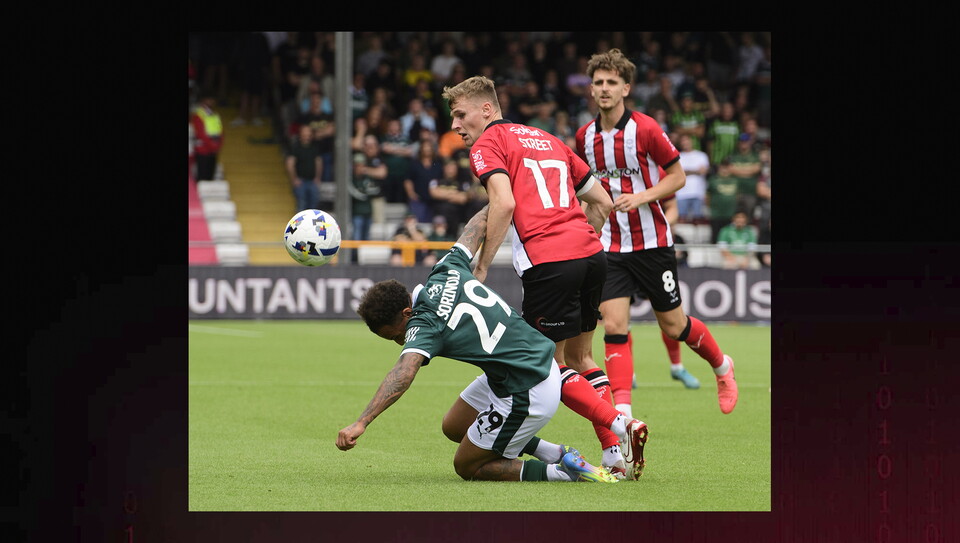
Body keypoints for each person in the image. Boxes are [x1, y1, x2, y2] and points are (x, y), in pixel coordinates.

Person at [442, 75, 649, 481]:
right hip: (592, 256)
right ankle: (611, 453)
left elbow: (503, 202)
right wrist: (579, 238)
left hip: (550, 263)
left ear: (487, 110)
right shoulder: (547, 138)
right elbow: (602, 201)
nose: (455, 125)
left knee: (548, 365)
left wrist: (480, 266)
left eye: (460, 114)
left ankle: (622, 425)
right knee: (582, 357)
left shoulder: (490, 144)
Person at [338, 207, 619, 483]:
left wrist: (362, 421)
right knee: (455, 426)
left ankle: (563, 473)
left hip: (527, 388)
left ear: (406, 314)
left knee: (467, 465)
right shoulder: (445, 268)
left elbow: (404, 372)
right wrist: (501, 194)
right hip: (521, 364)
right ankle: (556, 454)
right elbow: (480, 221)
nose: (400, 341)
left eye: (395, 335)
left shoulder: (423, 325)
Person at [574, 48, 738, 417]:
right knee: (614, 325)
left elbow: (678, 176)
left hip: (652, 243)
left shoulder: (645, 129)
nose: (604, 88)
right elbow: (586, 191)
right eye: (598, 82)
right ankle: (626, 416)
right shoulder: (584, 137)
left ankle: (722, 367)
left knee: (674, 325)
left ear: (626, 88)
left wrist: (642, 197)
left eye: (611, 82)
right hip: (609, 246)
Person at [285, 124, 322, 213]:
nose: (307, 136)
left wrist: (317, 177)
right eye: (304, 134)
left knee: (314, 206)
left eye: (308, 134)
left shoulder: (314, 147)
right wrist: (294, 179)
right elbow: (290, 163)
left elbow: (318, 162)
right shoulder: (295, 147)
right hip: (301, 181)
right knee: (301, 205)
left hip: (312, 181)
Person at [403, 140, 442, 223]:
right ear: (421, 149)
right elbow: (408, 180)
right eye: (425, 147)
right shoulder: (415, 164)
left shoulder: (438, 164)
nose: (427, 149)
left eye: (429, 147)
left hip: (435, 199)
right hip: (419, 199)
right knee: (419, 222)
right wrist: (411, 194)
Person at [675, 133, 710, 222]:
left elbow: (704, 171)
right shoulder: (677, 156)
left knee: (698, 220)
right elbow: (678, 173)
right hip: (681, 193)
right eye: (683, 141)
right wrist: (696, 171)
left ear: (692, 142)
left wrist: (686, 171)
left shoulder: (701, 155)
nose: (685, 143)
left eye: (687, 140)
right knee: (681, 220)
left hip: (698, 192)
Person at [705, 157, 740, 244]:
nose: (725, 170)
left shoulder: (735, 180)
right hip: (716, 214)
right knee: (715, 237)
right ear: (719, 168)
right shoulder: (713, 180)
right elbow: (707, 196)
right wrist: (711, 208)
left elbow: (737, 196)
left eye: (727, 167)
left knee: (729, 238)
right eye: (723, 167)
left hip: (731, 214)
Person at [190, 94, 224, 181]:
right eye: (209, 99)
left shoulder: (214, 114)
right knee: (202, 178)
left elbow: (220, 130)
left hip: (212, 150)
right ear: (202, 101)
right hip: (203, 151)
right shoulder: (198, 115)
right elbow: (201, 134)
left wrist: (218, 145)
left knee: (210, 177)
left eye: (212, 99)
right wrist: (214, 146)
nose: (211, 102)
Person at [429, 159, 470, 231]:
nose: (451, 170)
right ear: (444, 168)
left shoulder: (462, 183)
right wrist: (455, 193)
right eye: (449, 168)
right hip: (439, 216)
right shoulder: (436, 181)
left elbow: (463, 199)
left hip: (456, 217)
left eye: (453, 168)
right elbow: (434, 194)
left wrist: (443, 194)